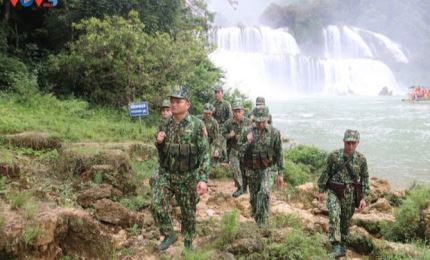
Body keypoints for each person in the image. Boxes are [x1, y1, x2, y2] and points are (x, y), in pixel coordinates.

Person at [151, 85, 210, 251]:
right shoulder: (165, 124)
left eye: (178, 101)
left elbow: (205, 153)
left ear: (188, 104)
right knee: (157, 203)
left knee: (188, 211)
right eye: (172, 101)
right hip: (167, 174)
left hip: (188, 176)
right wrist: (159, 142)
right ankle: (169, 234)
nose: (173, 104)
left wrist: (203, 179)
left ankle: (189, 241)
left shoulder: (198, 126)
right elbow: (161, 152)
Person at [317, 129, 369, 258]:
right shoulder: (334, 156)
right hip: (334, 191)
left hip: (350, 195)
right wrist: (321, 190)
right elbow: (326, 172)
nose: (350, 146)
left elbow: (365, 179)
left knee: (345, 222)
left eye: (353, 143)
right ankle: (335, 244)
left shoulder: (361, 159)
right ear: (343, 141)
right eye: (347, 143)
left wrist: (364, 198)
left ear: (357, 143)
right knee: (334, 215)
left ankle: (343, 244)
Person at [238, 107, 284, 227]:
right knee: (254, 199)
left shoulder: (274, 133)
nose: (260, 124)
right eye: (258, 122)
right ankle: (257, 218)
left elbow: (279, 153)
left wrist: (280, 173)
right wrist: (248, 143)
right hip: (252, 169)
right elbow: (239, 151)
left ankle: (262, 223)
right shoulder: (247, 131)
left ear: (267, 119)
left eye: (263, 122)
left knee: (264, 192)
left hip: (268, 169)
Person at [222, 101, 252, 197]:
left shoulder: (248, 122)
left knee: (245, 169)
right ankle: (240, 187)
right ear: (233, 112)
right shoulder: (229, 123)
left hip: (246, 150)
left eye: (239, 111)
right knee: (235, 169)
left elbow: (254, 133)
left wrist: (250, 137)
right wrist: (229, 135)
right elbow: (222, 134)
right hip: (234, 149)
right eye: (235, 111)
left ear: (243, 111)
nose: (237, 113)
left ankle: (244, 188)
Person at [212, 86, 233, 162]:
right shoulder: (213, 104)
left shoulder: (226, 104)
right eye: (215, 92)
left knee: (220, 142)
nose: (216, 94)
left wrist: (225, 127)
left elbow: (230, 118)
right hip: (214, 127)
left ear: (222, 94)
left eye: (218, 92)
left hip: (224, 128)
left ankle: (222, 158)